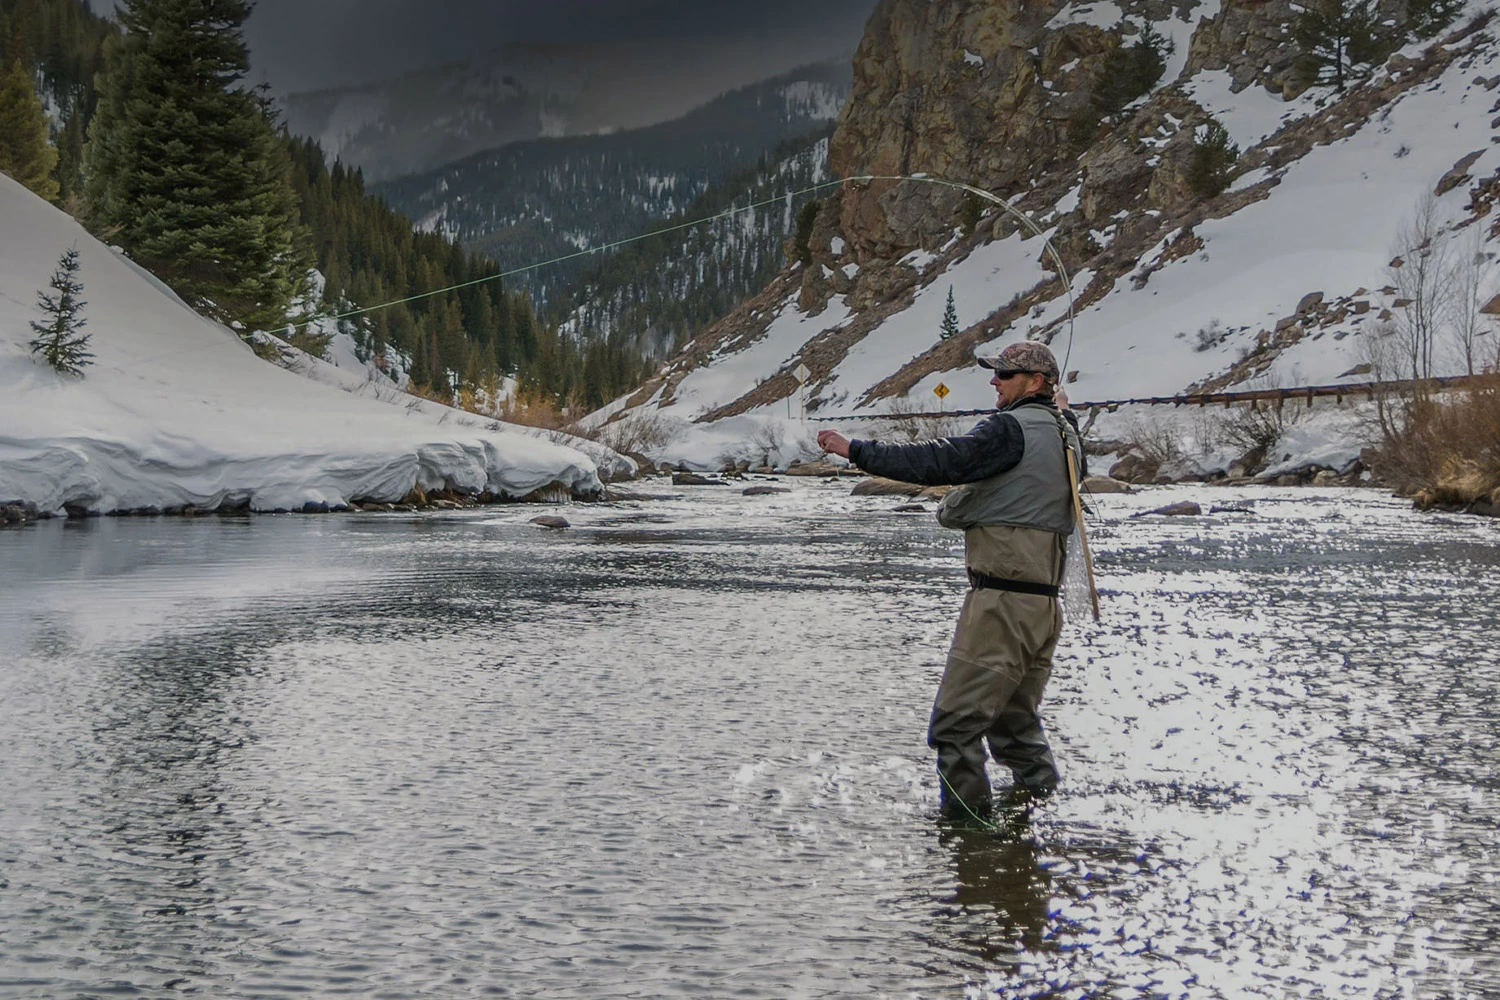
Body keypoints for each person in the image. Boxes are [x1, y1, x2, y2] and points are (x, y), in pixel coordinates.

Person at [816, 342, 1084, 822]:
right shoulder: (1066, 435)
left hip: (1001, 603)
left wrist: (854, 450)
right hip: (1044, 608)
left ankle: (969, 838)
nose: (994, 382)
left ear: (1036, 382)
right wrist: (1065, 413)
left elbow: (939, 460)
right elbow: (1061, 445)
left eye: (1006, 374)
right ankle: (1039, 828)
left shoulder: (1008, 430)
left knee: (956, 727)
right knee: (1013, 725)